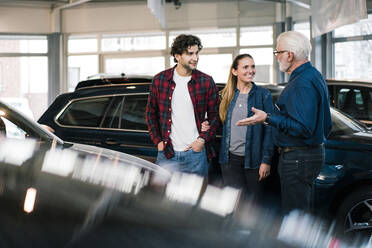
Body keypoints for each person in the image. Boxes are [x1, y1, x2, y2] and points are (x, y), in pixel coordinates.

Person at [236, 31, 332, 214]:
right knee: (302, 212)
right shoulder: (312, 75)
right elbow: (326, 125)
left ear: (290, 54)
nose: (277, 57)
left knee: (295, 215)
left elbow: (303, 128)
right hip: (306, 155)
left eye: (278, 52)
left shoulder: (302, 82)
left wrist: (268, 118)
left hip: (298, 158)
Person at [145, 34, 220, 177]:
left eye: (197, 53)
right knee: (165, 198)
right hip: (167, 153)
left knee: (194, 197)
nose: (195, 58)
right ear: (177, 56)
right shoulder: (160, 80)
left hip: (195, 154)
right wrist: (159, 142)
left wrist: (202, 140)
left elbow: (215, 115)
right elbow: (150, 114)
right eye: (190, 53)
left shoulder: (206, 81)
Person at [216, 54, 275, 202]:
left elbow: (270, 130)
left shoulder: (263, 95)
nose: (251, 70)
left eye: (253, 66)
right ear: (235, 71)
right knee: (232, 205)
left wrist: (266, 161)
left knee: (254, 207)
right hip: (229, 161)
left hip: (254, 162)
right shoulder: (226, 96)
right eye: (246, 67)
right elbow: (219, 124)